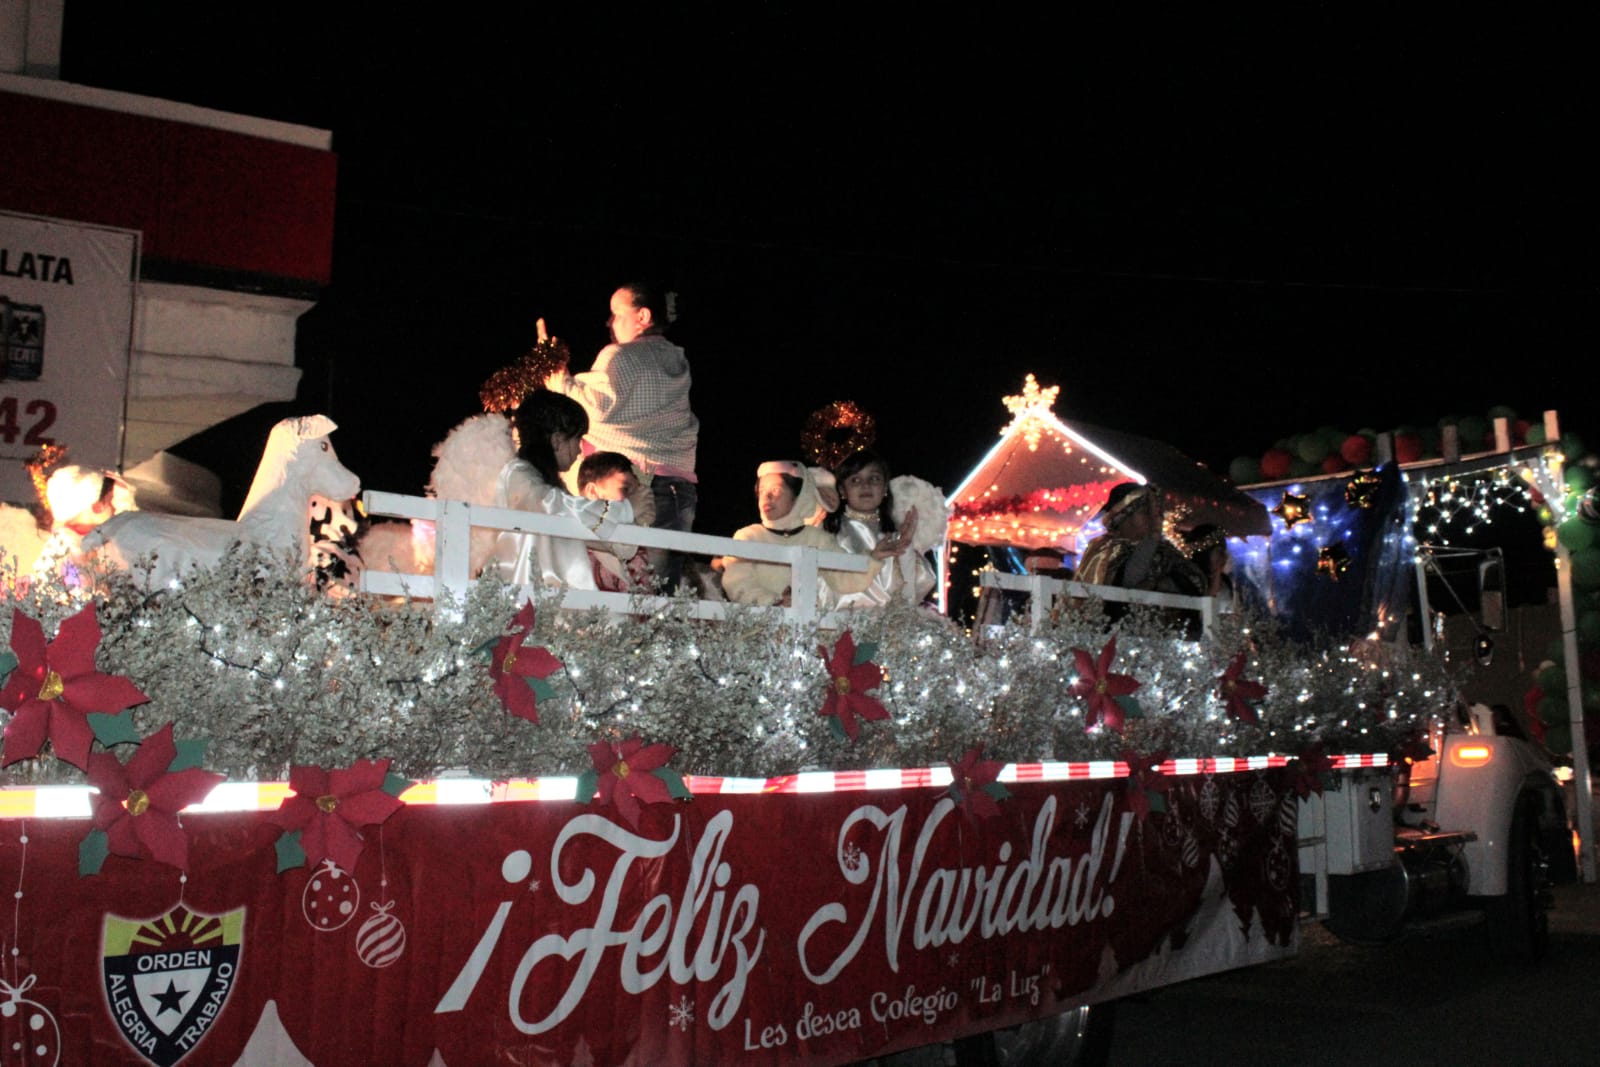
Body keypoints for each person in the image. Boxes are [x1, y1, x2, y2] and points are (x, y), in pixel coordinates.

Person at [545, 283, 698, 586]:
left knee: (625, 585)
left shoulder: (621, 356)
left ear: (642, 316)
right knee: (664, 591)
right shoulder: (677, 359)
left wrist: (558, 381)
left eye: (617, 313)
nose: (610, 322)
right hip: (679, 488)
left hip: (636, 485)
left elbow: (595, 409)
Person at [486, 391, 633, 591]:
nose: (580, 450)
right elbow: (553, 506)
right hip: (525, 592)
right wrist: (624, 510)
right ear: (556, 440)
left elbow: (578, 521)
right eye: (577, 439)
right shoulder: (518, 474)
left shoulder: (545, 482)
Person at [721, 461, 904, 607]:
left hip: (806, 634)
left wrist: (873, 559)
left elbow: (844, 578)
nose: (767, 498)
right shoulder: (748, 536)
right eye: (762, 491)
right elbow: (738, 583)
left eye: (776, 490)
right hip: (759, 631)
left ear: (798, 495)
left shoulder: (817, 538)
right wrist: (775, 603)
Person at [823, 449, 935, 608]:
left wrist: (906, 546)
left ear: (884, 489)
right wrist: (871, 559)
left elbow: (910, 596)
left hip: (890, 625)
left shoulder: (893, 535)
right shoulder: (830, 533)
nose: (865, 485)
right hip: (844, 623)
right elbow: (824, 587)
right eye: (855, 480)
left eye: (874, 479)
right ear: (842, 490)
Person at [1076, 482, 1205, 594]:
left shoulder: (1165, 550)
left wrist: (1161, 585)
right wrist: (1153, 537)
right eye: (1145, 512)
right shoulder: (1106, 549)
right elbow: (1129, 582)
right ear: (1123, 518)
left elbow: (1198, 584)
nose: (1154, 518)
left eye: (1156, 513)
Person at [577, 452, 654, 592]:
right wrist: (630, 509)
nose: (636, 498)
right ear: (592, 491)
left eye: (637, 492)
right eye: (625, 489)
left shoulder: (639, 549)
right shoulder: (573, 530)